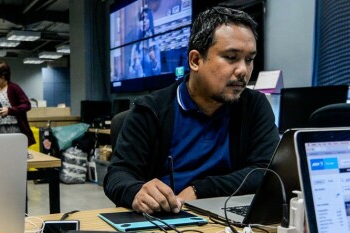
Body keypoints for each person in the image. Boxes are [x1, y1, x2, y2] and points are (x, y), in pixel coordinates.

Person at [103, 7, 279, 214]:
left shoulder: (254, 105)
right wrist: (136, 192)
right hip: (168, 219)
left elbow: (266, 171)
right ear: (195, 60)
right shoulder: (151, 110)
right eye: (231, 57)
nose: (243, 70)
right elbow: (117, 175)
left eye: (249, 60)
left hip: (227, 220)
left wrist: (198, 191)